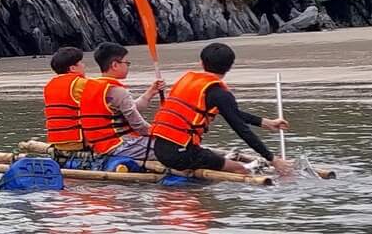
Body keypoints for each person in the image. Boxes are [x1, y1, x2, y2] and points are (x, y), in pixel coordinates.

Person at [148, 41, 293, 176]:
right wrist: (274, 159)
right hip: (181, 153)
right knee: (239, 169)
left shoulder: (188, 80)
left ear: (202, 62)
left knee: (210, 157)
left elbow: (233, 114)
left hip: (160, 148)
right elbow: (241, 130)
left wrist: (264, 122)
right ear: (230, 67)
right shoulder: (220, 93)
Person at [76, 42, 165, 167]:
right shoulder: (117, 90)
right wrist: (163, 134)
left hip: (98, 145)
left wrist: (150, 93)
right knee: (171, 148)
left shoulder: (90, 87)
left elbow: (128, 109)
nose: (128, 66)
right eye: (126, 63)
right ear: (115, 65)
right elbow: (139, 125)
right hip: (119, 145)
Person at [41, 45, 88, 152]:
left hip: (57, 142)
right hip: (78, 142)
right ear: (73, 68)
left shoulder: (49, 85)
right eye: (81, 63)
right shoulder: (81, 83)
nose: (84, 65)